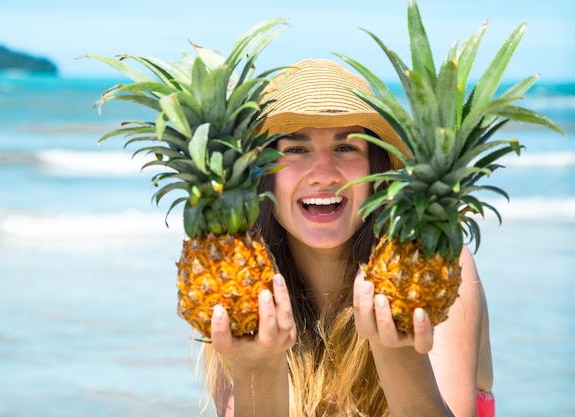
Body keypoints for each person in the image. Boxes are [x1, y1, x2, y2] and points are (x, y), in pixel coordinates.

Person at [197, 59, 494, 417]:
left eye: (346, 148)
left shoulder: (431, 262)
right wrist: (258, 366)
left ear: (377, 170)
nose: (323, 174)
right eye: (295, 149)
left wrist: (400, 357)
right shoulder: (237, 280)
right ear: (262, 176)